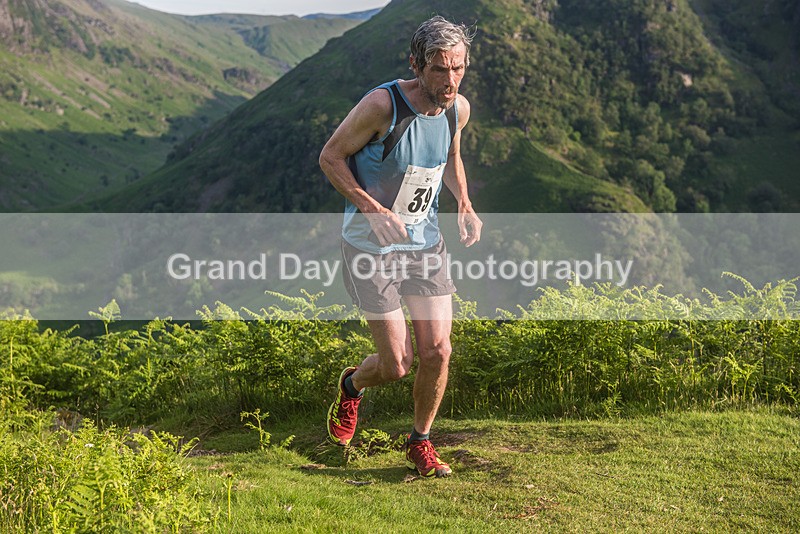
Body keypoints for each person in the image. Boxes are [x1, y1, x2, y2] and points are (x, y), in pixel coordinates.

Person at [319, 15, 482, 478]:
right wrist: (371, 208)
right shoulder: (381, 105)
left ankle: (420, 442)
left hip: (424, 244)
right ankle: (351, 386)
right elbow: (330, 158)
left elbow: (450, 156)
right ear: (416, 64)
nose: (450, 80)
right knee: (397, 365)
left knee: (438, 351)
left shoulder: (457, 109)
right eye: (439, 69)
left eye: (458, 68)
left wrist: (465, 203)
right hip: (370, 248)